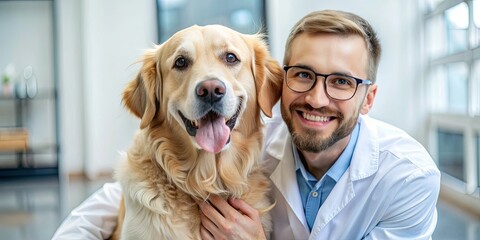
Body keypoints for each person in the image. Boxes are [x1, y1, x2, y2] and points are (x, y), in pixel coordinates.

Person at [53, 10, 441, 240]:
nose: (318, 98)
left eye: (341, 81)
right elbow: (116, 196)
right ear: (278, 83)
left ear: (369, 97)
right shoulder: (260, 129)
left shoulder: (409, 178)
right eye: (304, 75)